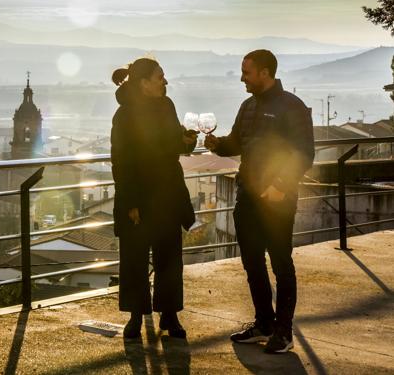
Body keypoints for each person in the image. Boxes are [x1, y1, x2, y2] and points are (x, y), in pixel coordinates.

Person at [204, 49, 314, 354]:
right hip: (248, 198)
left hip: (278, 201)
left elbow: (304, 153)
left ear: (265, 73)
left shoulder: (292, 106)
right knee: (252, 263)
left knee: (281, 263)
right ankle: (264, 323)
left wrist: (280, 185)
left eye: (246, 72)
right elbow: (236, 143)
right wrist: (217, 145)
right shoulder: (248, 106)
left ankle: (284, 331)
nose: (242, 78)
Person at [110, 57, 198, 339]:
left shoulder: (166, 105)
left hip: (168, 193)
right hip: (138, 196)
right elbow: (121, 161)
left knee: (170, 258)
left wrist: (187, 141)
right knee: (135, 258)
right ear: (144, 82)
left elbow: (173, 143)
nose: (166, 81)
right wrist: (130, 202)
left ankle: (169, 316)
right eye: (161, 77)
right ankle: (136, 316)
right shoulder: (124, 115)